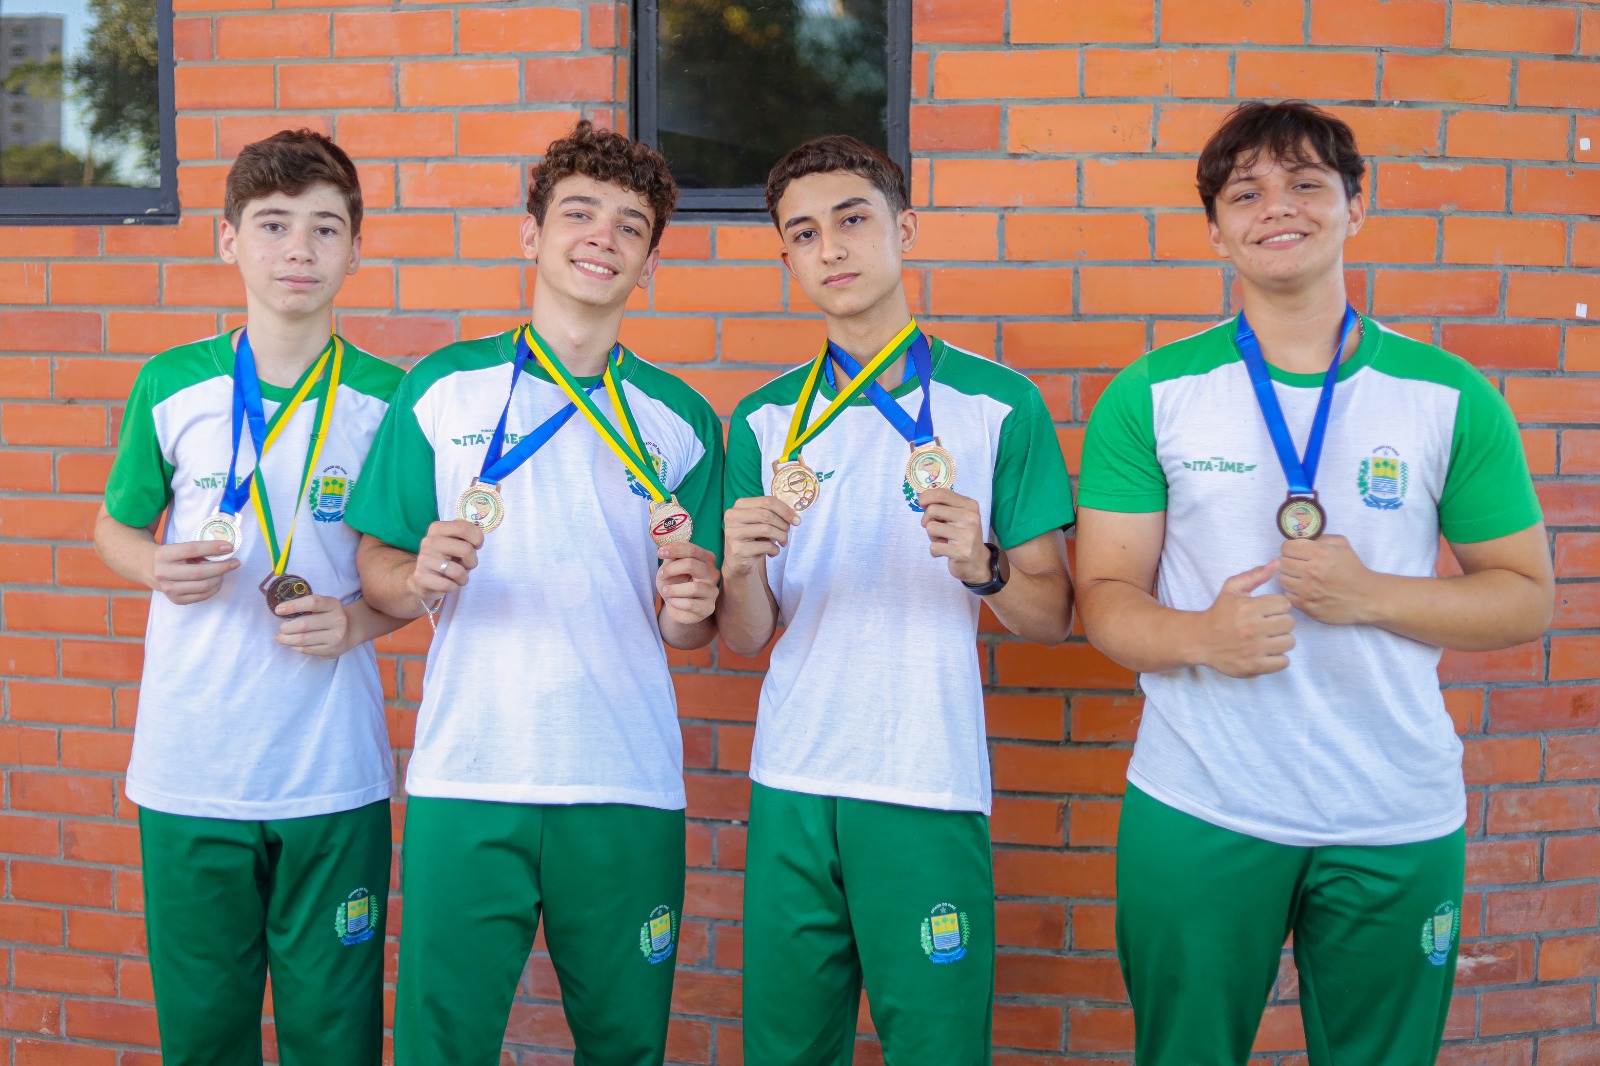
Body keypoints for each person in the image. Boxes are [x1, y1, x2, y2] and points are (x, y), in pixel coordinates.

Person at [1074, 100, 1555, 1065]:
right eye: (1245, 193)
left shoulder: (1447, 395)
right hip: (1203, 802)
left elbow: (1525, 596)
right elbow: (1105, 599)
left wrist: (1370, 593)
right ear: (1215, 230)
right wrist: (1199, 638)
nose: (1277, 208)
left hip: (1394, 810)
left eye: (1306, 183)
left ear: (1355, 206)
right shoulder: (1152, 394)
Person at [346, 121, 723, 1066]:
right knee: (439, 1047)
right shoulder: (444, 387)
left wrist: (690, 609)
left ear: (650, 264)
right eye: (579, 213)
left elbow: (690, 625)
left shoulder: (683, 419)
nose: (603, 236)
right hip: (471, 775)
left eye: (630, 225)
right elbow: (378, 561)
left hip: (624, 778)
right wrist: (414, 576)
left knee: (626, 1046)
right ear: (531, 234)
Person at [719, 135, 1076, 1065]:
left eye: (852, 219)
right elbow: (747, 638)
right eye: (804, 234)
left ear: (904, 229)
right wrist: (740, 571)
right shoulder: (762, 418)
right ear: (788, 259)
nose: (831, 247)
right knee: (787, 1051)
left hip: (925, 775)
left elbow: (1051, 614)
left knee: (938, 1047)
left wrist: (986, 567)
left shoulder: (998, 404)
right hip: (794, 777)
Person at [93, 129, 405, 1065]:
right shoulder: (170, 384)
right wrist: (153, 565)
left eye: (324, 228)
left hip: (331, 771)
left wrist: (356, 620)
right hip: (190, 767)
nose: (298, 250)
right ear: (228, 239)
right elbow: (112, 529)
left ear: (356, 247)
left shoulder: (393, 401)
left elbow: (410, 577)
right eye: (272, 225)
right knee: (203, 1038)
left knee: (335, 1038)